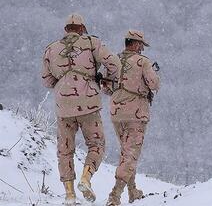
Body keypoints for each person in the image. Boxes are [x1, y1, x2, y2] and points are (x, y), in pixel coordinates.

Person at [41, 13, 121, 205]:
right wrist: (105, 80)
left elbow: (46, 80)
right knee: (96, 144)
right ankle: (86, 178)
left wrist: (63, 84)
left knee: (65, 149)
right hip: (88, 104)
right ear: (82, 29)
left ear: (65, 30)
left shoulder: (51, 49)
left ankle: (69, 194)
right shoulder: (92, 43)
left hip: (63, 107)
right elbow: (115, 64)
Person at [103, 30, 160, 206]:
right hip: (136, 113)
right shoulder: (143, 62)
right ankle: (115, 195)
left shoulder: (113, 61)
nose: (142, 48)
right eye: (141, 45)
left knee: (126, 151)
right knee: (131, 154)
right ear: (135, 44)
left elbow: (105, 88)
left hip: (116, 113)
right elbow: (155, 84)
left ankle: (133, 190)